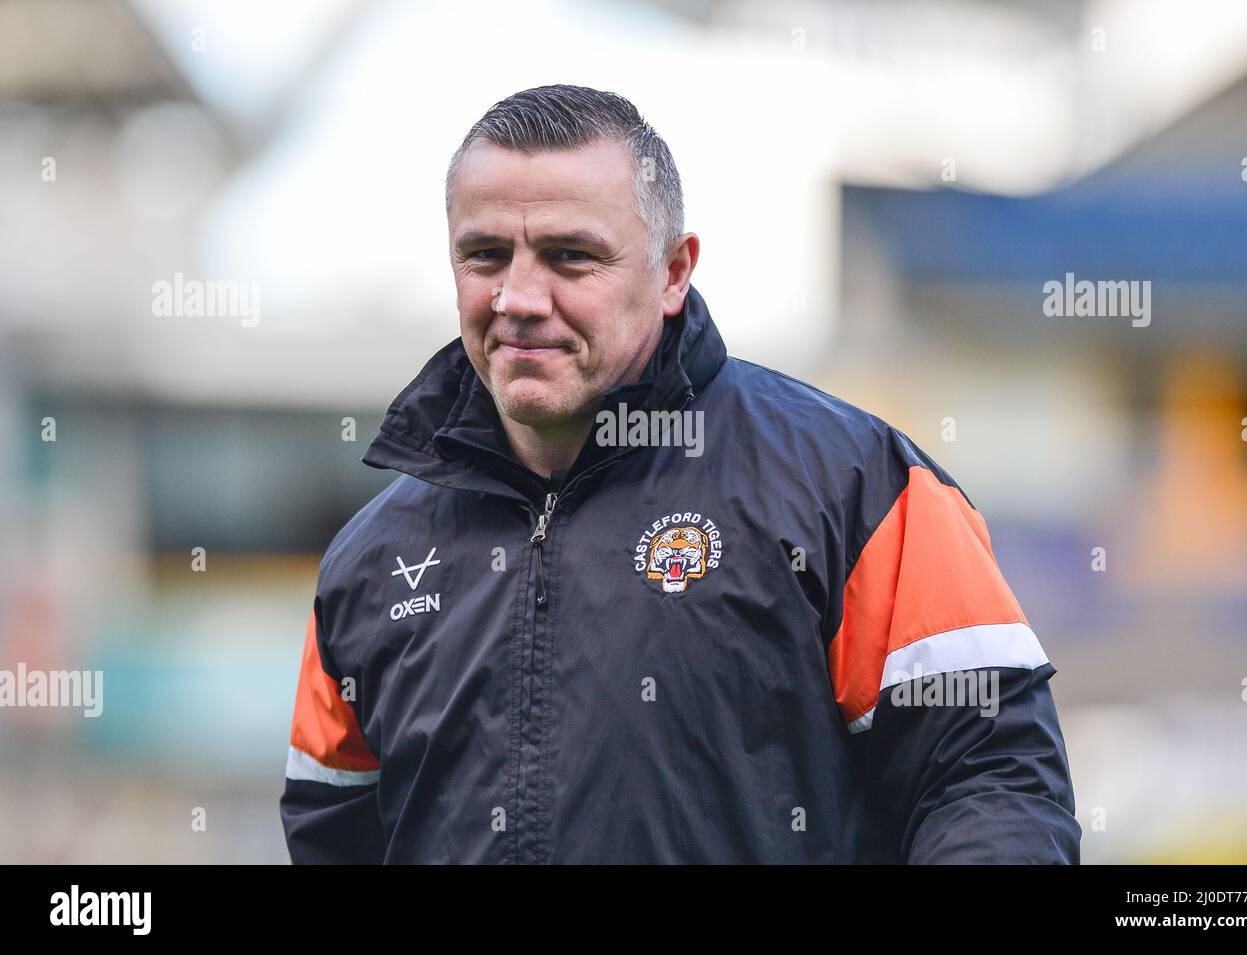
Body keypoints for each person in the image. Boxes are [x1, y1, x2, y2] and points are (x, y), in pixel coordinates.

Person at [279, 84, 1081, 864]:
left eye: (570, 256)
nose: (519, 297)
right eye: (485, 255)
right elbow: (332, 831)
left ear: (673, 272)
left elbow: (990, 781)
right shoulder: (369, 561)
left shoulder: (855, 488)